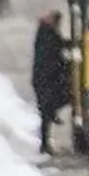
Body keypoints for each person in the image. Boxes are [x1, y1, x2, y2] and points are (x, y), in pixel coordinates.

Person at [31, 10, 70, 155]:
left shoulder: (45, 32)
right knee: (46, 112)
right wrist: (65, 65)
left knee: (46, 112)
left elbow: (59, 46)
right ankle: (44, 144)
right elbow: (54, 52)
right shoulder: (47, 34)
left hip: (45, 79)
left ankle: (45, 142)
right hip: (45, 80)